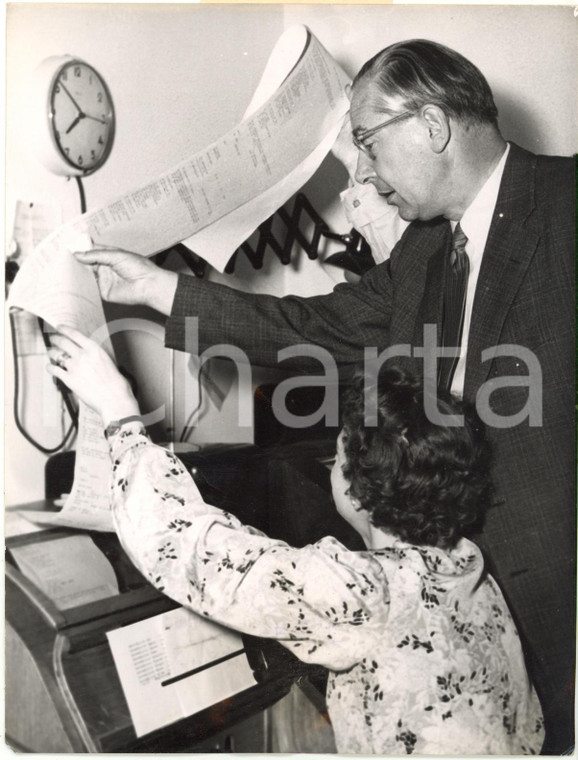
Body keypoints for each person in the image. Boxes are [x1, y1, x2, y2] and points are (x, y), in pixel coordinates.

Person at [75, 39, 574, 751]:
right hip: (455, 606)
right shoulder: (426, 251)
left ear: (431, 126)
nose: (363, 174)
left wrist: (122, 418)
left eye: (366, 144)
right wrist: (155, 289)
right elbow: (308, 327)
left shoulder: (566, 206)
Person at [46, 329, 545, 755]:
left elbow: (185, 546)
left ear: (357, 489)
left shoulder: (364, 592)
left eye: (337, 453)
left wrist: (121, 415)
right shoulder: (463, 564)